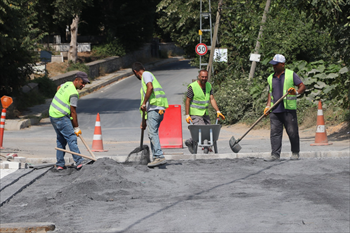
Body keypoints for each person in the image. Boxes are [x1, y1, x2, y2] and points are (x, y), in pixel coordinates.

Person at [263, 54, 306, 161]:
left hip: (288, 110)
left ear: (282, 64)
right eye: (273, 65)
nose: (274, 67)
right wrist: (268, 106)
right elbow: (270, 92)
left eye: (276, 65)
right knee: (275, 133)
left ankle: (295, 153)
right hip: (275, 110)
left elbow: (302, 86)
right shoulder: (270, 77)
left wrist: (295, 92)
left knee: (292, 132)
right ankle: (275, 155)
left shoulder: (291, 75)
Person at [49, 71, 90, 170]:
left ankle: (60, 164)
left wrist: (61, 98)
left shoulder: (67, 84)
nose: (83, 85)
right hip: (61, 116)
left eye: (85, 83)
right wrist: (76, 127)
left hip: (52, 114)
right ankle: (79, 162)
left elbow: (59, 87)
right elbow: (73, 112)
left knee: (61, 139)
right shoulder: (74, 93)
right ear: (76, 80)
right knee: (71, 137)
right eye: (82, 83)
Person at [132, 62, 169, 167]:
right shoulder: (143, 84)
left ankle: (159, 156)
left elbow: (150, 87)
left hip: (155, 109)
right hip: (156, 110)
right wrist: (143, 122)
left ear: (135, 72)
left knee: (152, 133)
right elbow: (145, 107)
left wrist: (144, 102)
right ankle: (156, 157)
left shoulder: (145, 74)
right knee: (152, 133)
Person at [185, 70, 225, 153]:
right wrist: (187, 115)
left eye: (206, 77)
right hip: (195, 113)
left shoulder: (208, 86)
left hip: (205, 113)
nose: (204, 78)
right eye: (202, 77)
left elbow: (212, 99)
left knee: (208, 131)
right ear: (199, 77)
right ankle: (192, 141)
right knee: (202, 130)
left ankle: (195, 142)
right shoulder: (192, 87)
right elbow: (187, 100)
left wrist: (218, 111)